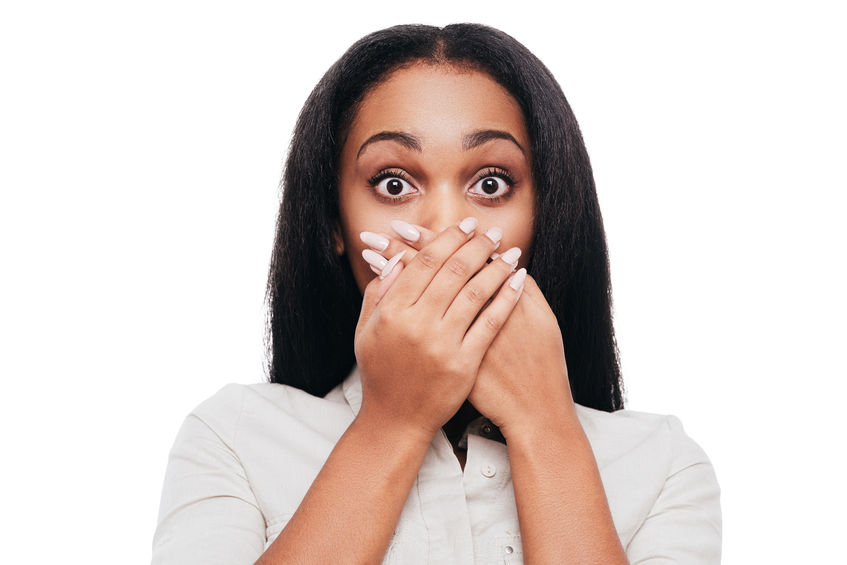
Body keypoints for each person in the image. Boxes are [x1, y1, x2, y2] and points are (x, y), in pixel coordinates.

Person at [152, 23, 721, 565]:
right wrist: (392, 423)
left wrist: (545, 429)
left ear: (546, 214)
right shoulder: (234, 438)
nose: (448, 227)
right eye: (394, 184)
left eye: (491, 184)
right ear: (333, 223)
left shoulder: (661, 462)